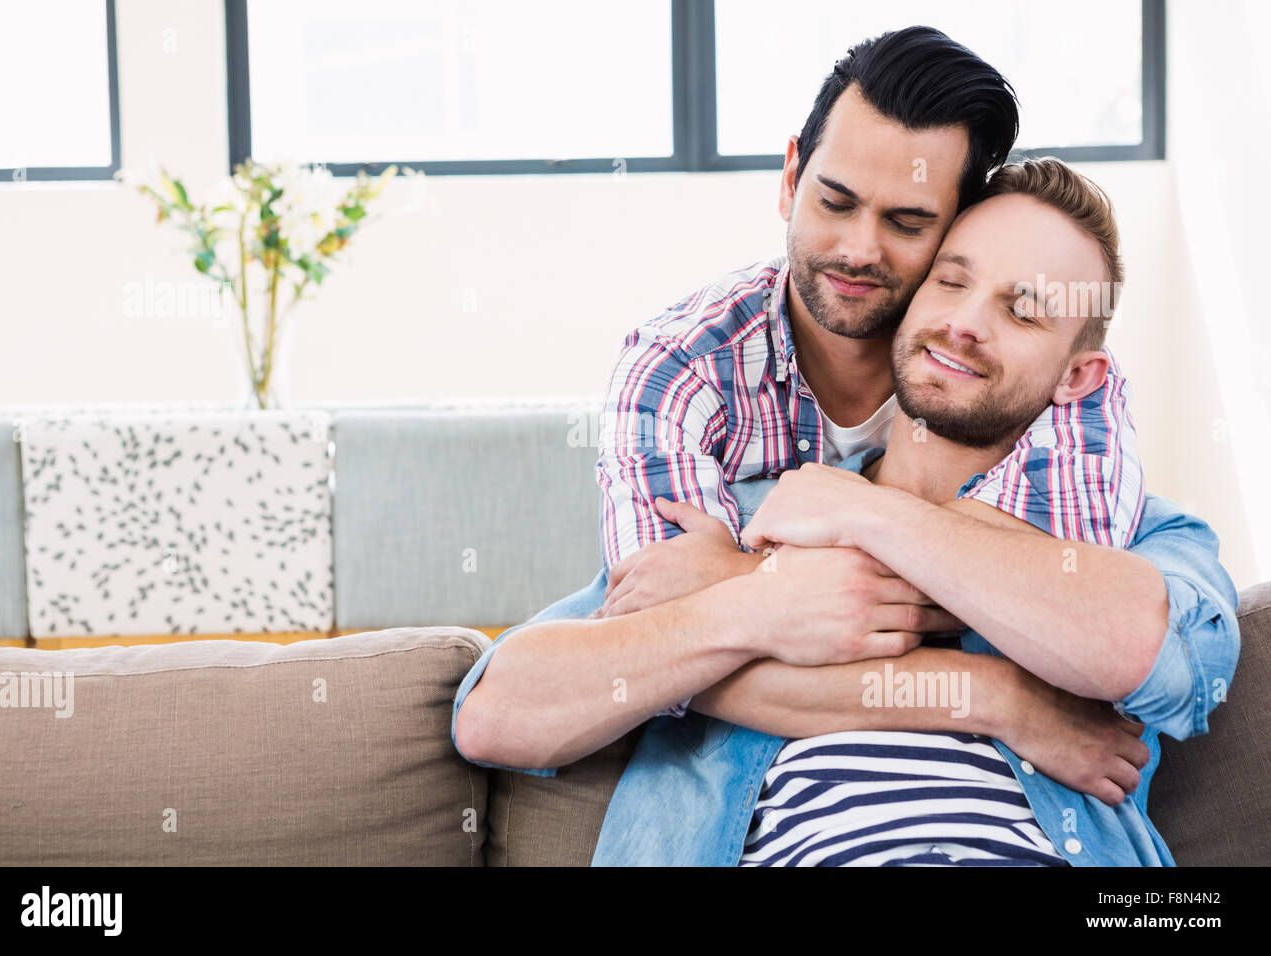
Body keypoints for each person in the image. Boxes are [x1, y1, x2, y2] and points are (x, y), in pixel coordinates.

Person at [453, 30, 1239, 866]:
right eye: (958, 281)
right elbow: (505, 709)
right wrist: (984, 689)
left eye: (1024, 310)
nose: (863, 254)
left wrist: (862, 517)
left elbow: (1158, 658)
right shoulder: (735, 473)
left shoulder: (1138, 537)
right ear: (792, 175)